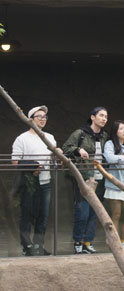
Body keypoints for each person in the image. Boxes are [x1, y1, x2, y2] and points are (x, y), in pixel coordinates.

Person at [11, 105, 60, 256]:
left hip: (45, 181)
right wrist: (33, 167)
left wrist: (58, 154)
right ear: (30, 119)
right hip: (29, 183)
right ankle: (27, 247)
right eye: (39, 116)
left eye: (44, 117)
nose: (42, 119)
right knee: (26, 215)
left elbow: (54, 156)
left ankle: (38, 245)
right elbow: (15, 161)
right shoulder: (22, 138)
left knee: (43, 216)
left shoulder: (49, 137)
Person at [62, 107, 109, 254]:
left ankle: (88, 242)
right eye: (101, 115)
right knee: (82, 211)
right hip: (83, 177)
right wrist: (78, 150)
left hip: (99, 177)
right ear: (92, 117)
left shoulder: (104, 136)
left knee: (94, 212)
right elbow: (65, 148)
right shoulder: (80, 133)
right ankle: (78, 243)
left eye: (106, 117)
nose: (104, 119)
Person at [103, 120, 124, 253]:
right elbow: (109, 158)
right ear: (115, 131)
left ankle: (122, 242)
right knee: (116, 215)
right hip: (115, 185)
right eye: (121, 129)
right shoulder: (110, 143)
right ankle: (115, 243)